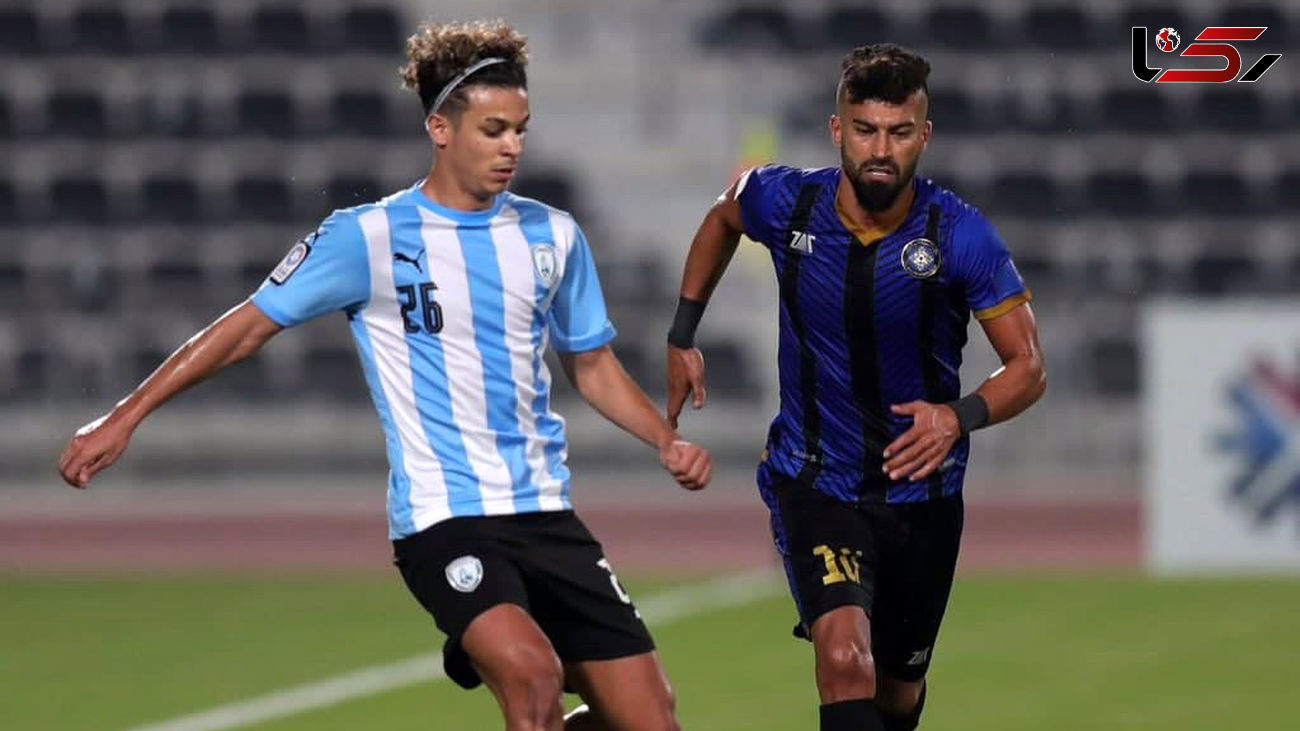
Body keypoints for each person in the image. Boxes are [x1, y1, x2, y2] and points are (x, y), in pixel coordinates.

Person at [58, 20, 709, 731]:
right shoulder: (366, 237)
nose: (513, 147)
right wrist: (124, 416)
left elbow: (591, 364)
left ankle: (488, 638)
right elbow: (245, 328)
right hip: (443, 516)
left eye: (521, 130)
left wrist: (664, 439)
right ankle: (491, 633)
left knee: (652, 720)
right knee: (533, 677)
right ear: (440, 128)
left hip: (545, 511)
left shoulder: (552, 235)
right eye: (493, 130)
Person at [664, 44, 1046, 731]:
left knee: (898, 691)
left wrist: (957, 416)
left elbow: (1028, 366)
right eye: (866, 130)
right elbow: (724, 216)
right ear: (837, 129)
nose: (881, 150)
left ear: (924, 136)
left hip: (923, 496)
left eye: (899, 132)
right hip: (817, 481)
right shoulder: (786, 201)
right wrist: (683, 332)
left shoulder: (960, 235)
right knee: (844, 658)